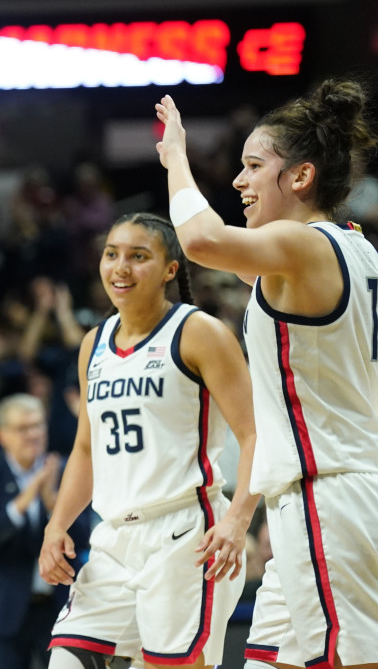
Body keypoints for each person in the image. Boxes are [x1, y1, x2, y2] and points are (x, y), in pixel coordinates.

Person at [156, 80, 378, 669]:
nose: (239, 181)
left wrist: (175, 159)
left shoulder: (304, 245)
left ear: (300, 177)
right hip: (315, 498)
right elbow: (235, 260)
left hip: (328, 495)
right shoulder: (351, 248)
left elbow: (200, 240)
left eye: (253, 166)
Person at [37, 212, 259, 669]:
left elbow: (257, 434)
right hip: (115, 535)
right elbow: (86, 447)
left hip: (184, 533)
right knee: (67, 659)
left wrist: (238, 520)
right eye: (112, 254)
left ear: (170, 269)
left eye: (139, 257)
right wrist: (56, 525)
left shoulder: (199, 333)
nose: (121, 267)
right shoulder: (93, 343)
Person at [0, 394, 82, 669]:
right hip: (2, 611)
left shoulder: (67, 473)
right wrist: (27, 495)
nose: (33, 434)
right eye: (23, 428)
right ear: (2, 435)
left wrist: (50, 499)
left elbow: (84, 536)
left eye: (37, 425)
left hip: (58, 610)